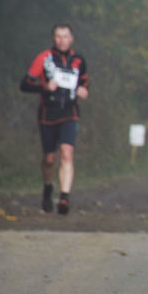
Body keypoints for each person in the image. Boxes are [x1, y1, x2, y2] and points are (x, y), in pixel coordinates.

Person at [20, 22, 89, 214]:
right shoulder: (44, 58)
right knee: (49, 158)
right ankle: (48, 188)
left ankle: (64, 198)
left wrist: (84, 91)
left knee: (67, 153)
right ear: (54, 38)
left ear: (71, 38)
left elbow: (84, 80)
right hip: (47, 113)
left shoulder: (79, 59)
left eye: (65, 36)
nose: (62, 40)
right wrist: (43, 87)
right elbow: (24, 84)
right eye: (58, 37)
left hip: (70, 112)